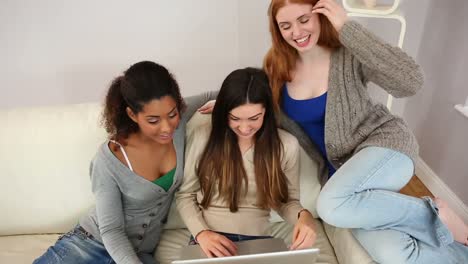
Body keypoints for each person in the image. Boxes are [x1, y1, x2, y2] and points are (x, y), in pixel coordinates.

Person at [263, 0, 468, 263]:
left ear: (320, 14)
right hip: (347, 180)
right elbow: (257, 102)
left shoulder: (346, 52)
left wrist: (347, 27)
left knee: (330, 205)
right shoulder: (276, 67)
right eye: (286, 25)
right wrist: (224, 106)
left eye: (304, 20)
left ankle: (433, 214)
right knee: (395, 255)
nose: (297, 32)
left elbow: (410, 82)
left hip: (386, 147)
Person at [33, 61, 216, 264]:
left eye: (172, 114)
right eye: (153, 120)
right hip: (88, 247)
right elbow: (111, 231)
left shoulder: (179, 120)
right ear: (132, 114)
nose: (167, 127)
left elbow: (225, 93)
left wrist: (226, 105)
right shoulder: (110, 159)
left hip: (137, 255)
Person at [176, 68, 316, 258]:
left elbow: (287, 202)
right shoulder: (203, 136)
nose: (244, 128)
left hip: (258, 243)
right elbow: (185, 195)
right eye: (235, 118)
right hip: (209, 240)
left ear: (267, 112)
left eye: (254, 118)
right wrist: (201, 233)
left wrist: (304, 216)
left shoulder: (286, 145)